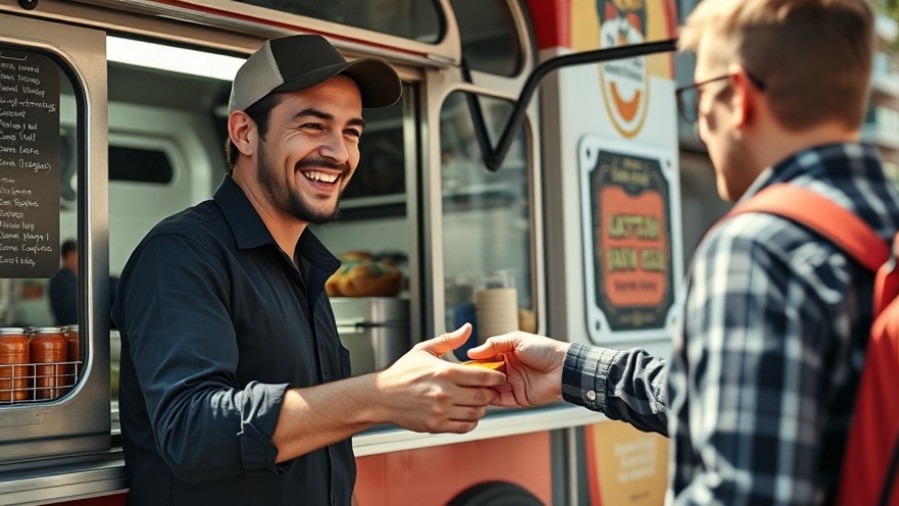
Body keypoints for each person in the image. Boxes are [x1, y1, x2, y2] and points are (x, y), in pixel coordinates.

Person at [469, 0, 899, 504]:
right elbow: (750, 404)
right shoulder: (882, 223)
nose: (698, 124)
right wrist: (569, 367)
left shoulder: (757, 248)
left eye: (696, 97)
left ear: (737, 97)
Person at [110, 34, 505, 506]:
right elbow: (193, 431)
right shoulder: (181, 254)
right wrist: (380, 394)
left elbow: (321, 446)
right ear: (244, 133)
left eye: (352, 132)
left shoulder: (306, 265)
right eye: (314, 125)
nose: (339, 153)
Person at [48, 238, 78, 325]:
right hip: (68, 330)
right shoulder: (64, 280)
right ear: (69, 255)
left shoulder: (60, 277)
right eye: (77, 255)